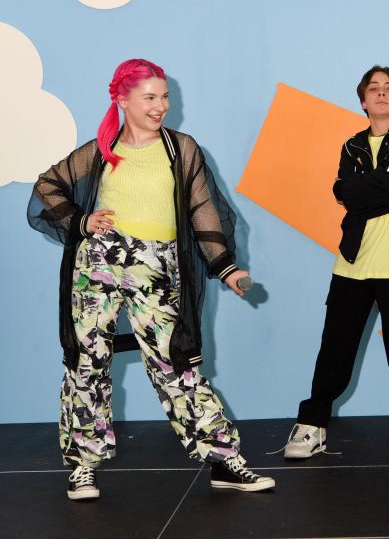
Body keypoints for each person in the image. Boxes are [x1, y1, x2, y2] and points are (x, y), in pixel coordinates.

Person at [28, 59, 275, 501]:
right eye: (150, 98)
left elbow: (204, 210)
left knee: (177, 365)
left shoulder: (181, 149)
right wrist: (82, 221)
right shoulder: (101, 150)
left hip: (158, 267)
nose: (161, 105)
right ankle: (82, 466)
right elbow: (48, 186)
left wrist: (226, 267)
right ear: (122, 100)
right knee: (87, 363)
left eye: (165, 97)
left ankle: (222, 459)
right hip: (97, 265)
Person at [283, 66, 389, 460]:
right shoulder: (352, 145)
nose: (380, 94)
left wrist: (369, 189)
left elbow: (363, 192)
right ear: (362, 101)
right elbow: (352, 193)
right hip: (352, 262)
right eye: (372, 89)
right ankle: (313, 425)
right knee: (335, 346)